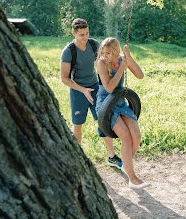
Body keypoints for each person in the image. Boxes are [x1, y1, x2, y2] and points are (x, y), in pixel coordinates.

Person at [60, 18, 122, 169]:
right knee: (78, 125)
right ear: (73, 33)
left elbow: (107, 60)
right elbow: (64, 79)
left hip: (95, 88)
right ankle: (77, 158)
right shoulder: (69, 52)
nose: (85, 37)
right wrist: (83, 90)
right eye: (81, 34)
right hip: (77, 91)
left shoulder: (94, 45)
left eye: (87, 33)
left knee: (103, 120)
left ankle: (112, 156)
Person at [96, 37, 150, 189]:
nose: (104, 56)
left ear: (116, 52)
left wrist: (129, 58)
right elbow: (109, 88)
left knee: (136, 136)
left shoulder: (121, 59)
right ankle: (132, 178)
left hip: (120, 101)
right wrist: (121, 70)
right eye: (103, 52)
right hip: (106, 104)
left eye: (108, 53)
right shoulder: (101, 63)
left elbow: (140, 75)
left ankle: (127, 164)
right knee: (126, 137)